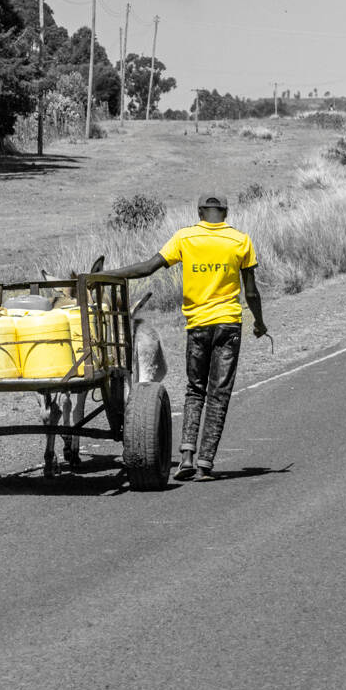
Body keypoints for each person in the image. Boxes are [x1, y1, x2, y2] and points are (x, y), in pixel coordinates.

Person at [106, 195, 268, 481]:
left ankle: (186, 457)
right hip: (228, 326)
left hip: (198, 326)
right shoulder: (241, 241)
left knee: (195, 389)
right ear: (226, 212)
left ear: (199, 212)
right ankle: (205, 464)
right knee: (219, 394)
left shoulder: (185, 237)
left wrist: (106, 275)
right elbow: (252, 292)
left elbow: (147, 267)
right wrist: (259, 323)